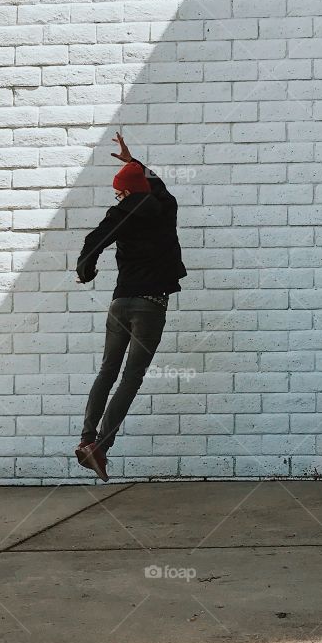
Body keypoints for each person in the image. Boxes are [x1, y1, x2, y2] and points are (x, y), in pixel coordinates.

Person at [73, 132, 187, 480]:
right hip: (150, 306)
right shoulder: (166, 209)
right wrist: (134, 163)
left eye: (119, 190)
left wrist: (87, 271)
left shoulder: (120, 214)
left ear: (125, 191)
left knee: (107, 372)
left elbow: (93, 242)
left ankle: (87, 438)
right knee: (131, 378)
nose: (118, 195)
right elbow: (159, 187)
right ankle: (101, 447)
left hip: (120, 304)